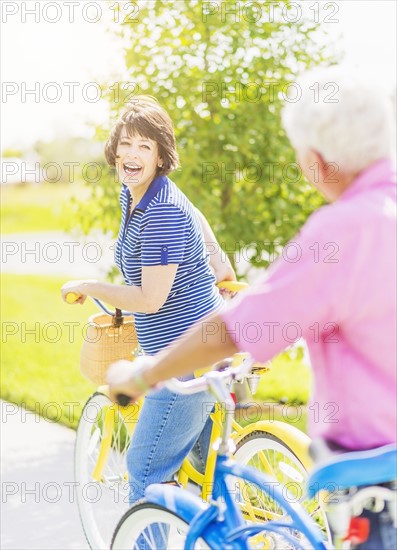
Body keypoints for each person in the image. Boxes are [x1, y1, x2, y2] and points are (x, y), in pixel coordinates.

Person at [107, 68, 397, 549]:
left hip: (373, 477)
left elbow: (236, 329)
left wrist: (142, 376)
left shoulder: (344, 230)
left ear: (315, 159)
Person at [61, 96, 236, 505]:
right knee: (206, 466)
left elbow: (150, 299)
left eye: (145, 146)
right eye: (125, 143)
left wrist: (90, 286)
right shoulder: (137, 192)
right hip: (196, 342)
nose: (132, 154)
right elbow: (198, 215)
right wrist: (221, 262)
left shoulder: (160, 211)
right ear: (115, 149)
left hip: (187, 356)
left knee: (145, 473)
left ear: (160, 156)